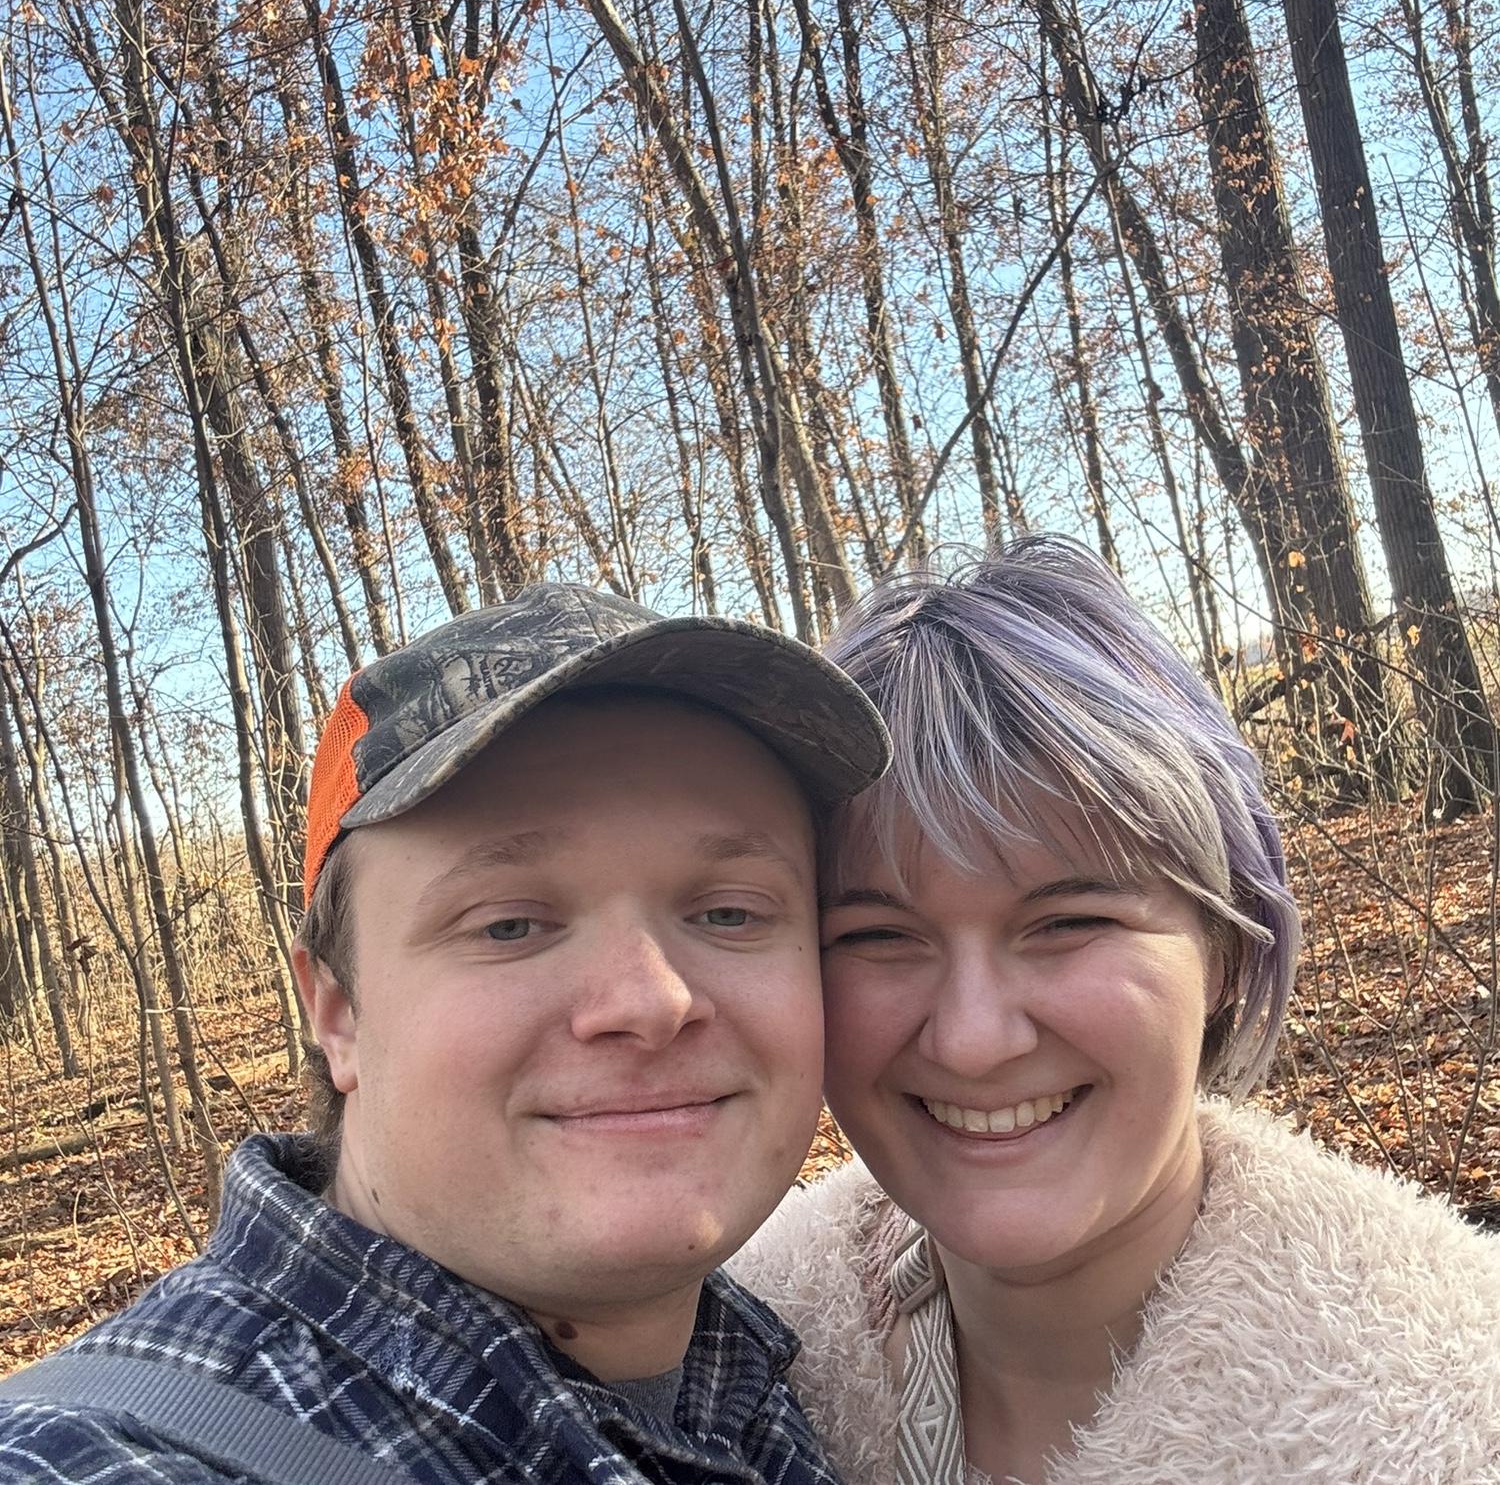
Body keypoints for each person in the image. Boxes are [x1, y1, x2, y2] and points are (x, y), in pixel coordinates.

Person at [0, 583, 889, 1484]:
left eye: (731, 912)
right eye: (510, 925)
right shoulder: (92, 1458)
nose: (652, 1000)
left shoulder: (803, 1375)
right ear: (337, 1011)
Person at [731, 536, 1500, 1485]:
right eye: (878, 935)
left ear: (1227, 947)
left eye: (1067, 923)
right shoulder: (717, 1365)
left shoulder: (1456, 1419)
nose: (973, 1040)